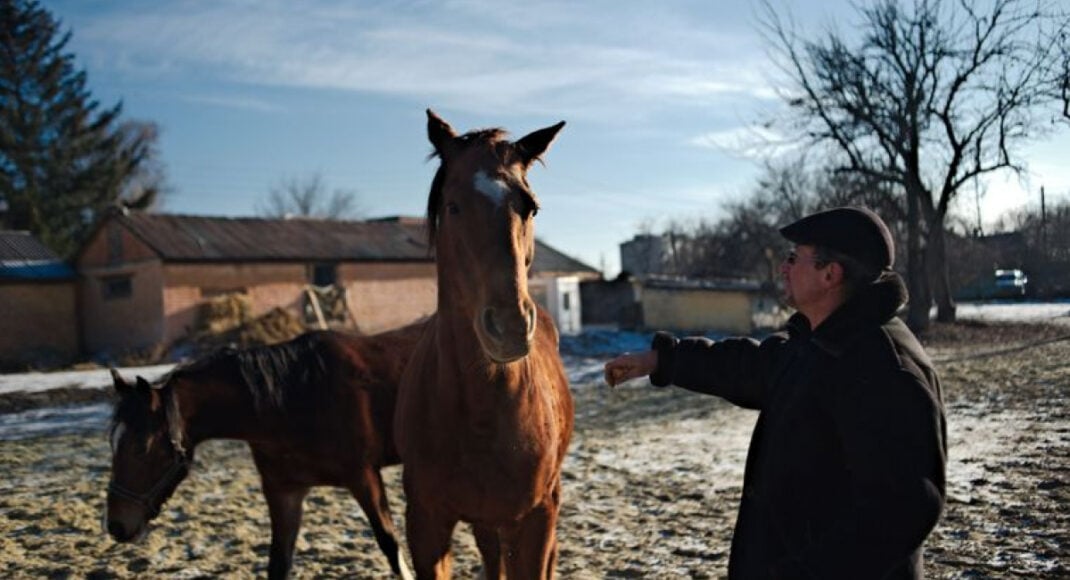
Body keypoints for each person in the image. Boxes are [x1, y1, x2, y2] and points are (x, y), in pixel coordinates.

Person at [604, 206, 946, 579]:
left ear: (830, 274)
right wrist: (660, 360)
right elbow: (748, 368)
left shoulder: (881, 369)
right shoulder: (821, 341)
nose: (783, 268)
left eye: (794, 258)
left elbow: (901, 510)